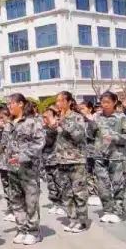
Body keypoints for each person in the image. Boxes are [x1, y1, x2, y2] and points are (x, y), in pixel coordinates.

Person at [1, 93, 46, 245]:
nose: (9, 106)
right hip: (12, 168)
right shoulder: (9, 124)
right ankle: (21, 229)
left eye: (11, 103)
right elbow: (4, 144)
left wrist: (22, 156)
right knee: (16, 199)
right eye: (8, 104)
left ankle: (33, 231)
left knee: (31, 200)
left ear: (20, 104)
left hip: (28, 169)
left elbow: (39, 143)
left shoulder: (33, 122)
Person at [43, 91, 91, 233]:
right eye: (57, 101)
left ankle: (82, 221)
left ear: (69, 102)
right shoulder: (58, 118)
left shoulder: (77, 117)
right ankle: (72, 219)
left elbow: (78, 136)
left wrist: (62, 122)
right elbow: (50, 141)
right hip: (61, 160)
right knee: (66, 193)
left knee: (79, 192)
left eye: (61, 101)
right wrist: (50, 127)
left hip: (76, 160)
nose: (58, 104)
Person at [90, 91, 126, 223]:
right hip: (100, 155)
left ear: (114, 102)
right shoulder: (97, 117)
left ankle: (118, 211)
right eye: (102, 102)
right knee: (102, 184)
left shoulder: (121, 117)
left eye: (107, 102)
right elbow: (90, 135)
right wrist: (91, 125)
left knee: (117, 184)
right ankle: (107, 210)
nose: (104, 105)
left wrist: (114, 137)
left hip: (116, 156)